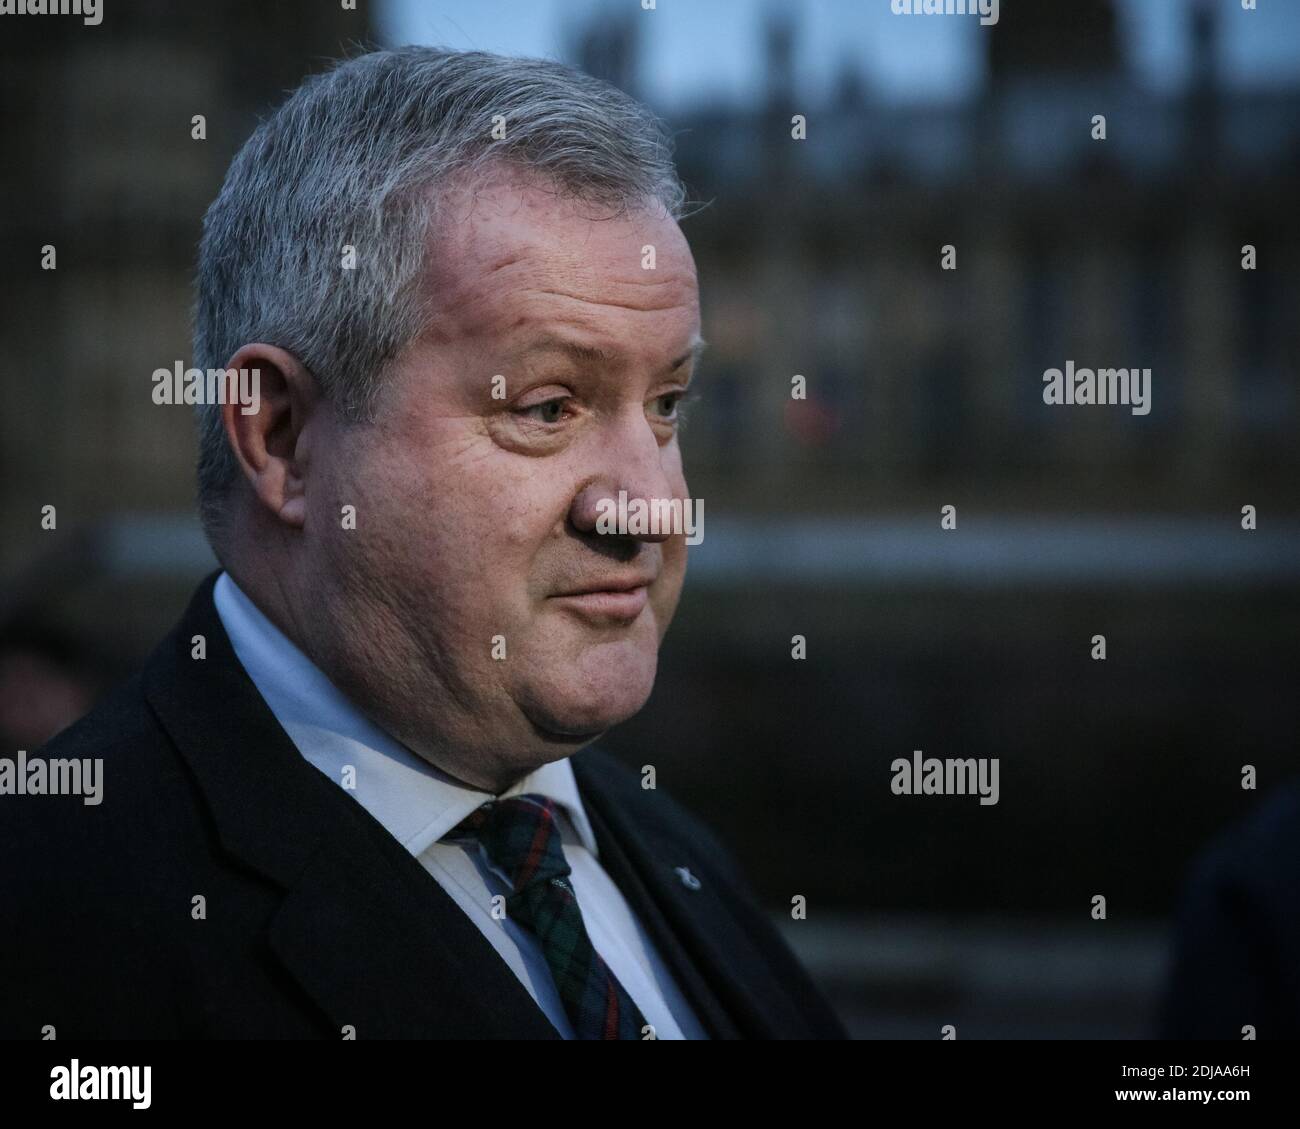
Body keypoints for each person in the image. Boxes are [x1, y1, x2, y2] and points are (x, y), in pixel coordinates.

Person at [0, 46, 846, 1040]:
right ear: (281, 438)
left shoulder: (673, 850)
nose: (650, 507)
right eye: (547, 407)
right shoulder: (56, 925)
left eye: (665, 407)